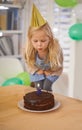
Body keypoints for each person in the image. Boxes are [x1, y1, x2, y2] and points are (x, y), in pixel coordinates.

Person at [24, 4, 63, 91]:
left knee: (46, 87)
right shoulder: (29, 50)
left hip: (52, 71)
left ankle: (47, 102)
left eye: (43, 41)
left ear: (50, 38)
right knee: (38, 87)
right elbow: (29, 64)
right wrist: (37, 71)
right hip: (37, 72)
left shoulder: (56, 49)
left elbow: (59, 65)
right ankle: (38, 100)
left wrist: (49, 71)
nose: (39, 45)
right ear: (30, 40)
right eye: (35, 41)